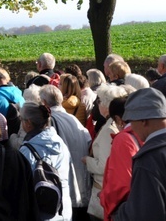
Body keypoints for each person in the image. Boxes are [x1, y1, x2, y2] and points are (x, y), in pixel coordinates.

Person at [113, 87, 166, 221]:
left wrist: (120, 212)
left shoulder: (150, 159)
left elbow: (143, 215)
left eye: (131, 121)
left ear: (143, 120)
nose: (131, 126)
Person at [40, 85, 92, 221]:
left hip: (66, 182)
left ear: (44, 103)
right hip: (81, 176)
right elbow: (88, 141)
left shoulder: (51, 121)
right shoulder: (72, 119)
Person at [18, 102, 73, 221]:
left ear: (28, 123)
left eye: (21, 119)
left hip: (40, 211)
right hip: (63, 208)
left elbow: (22, 186)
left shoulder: (26, 150)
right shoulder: (61, 143)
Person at [84, 85, 127, 219]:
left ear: (107, 105)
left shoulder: (109, 128)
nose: (98, 105)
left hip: (102, 192)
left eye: (99, 101)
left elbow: (104, 165)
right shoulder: (113, 123)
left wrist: (87, 161)